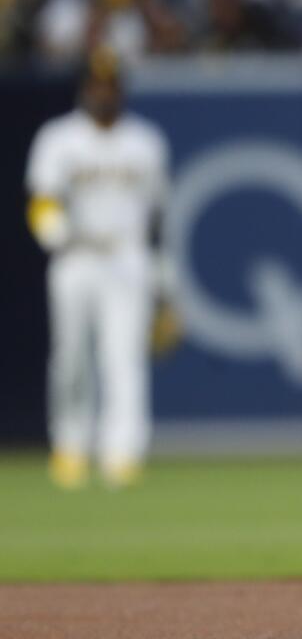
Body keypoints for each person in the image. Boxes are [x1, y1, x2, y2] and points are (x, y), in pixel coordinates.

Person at [25, 49, 170, 489]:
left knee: (123, 358)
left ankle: (122, 452)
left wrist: (165, 282)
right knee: (71, 357)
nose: (104, 92)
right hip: (76, 257)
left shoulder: (145, 140)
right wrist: (57, 234)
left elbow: (158, 220)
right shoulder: (59, 138)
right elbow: (42, 201)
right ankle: (70, 445)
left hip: (128, 258)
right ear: (85, 89)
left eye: (111, 85)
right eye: (97, 85)